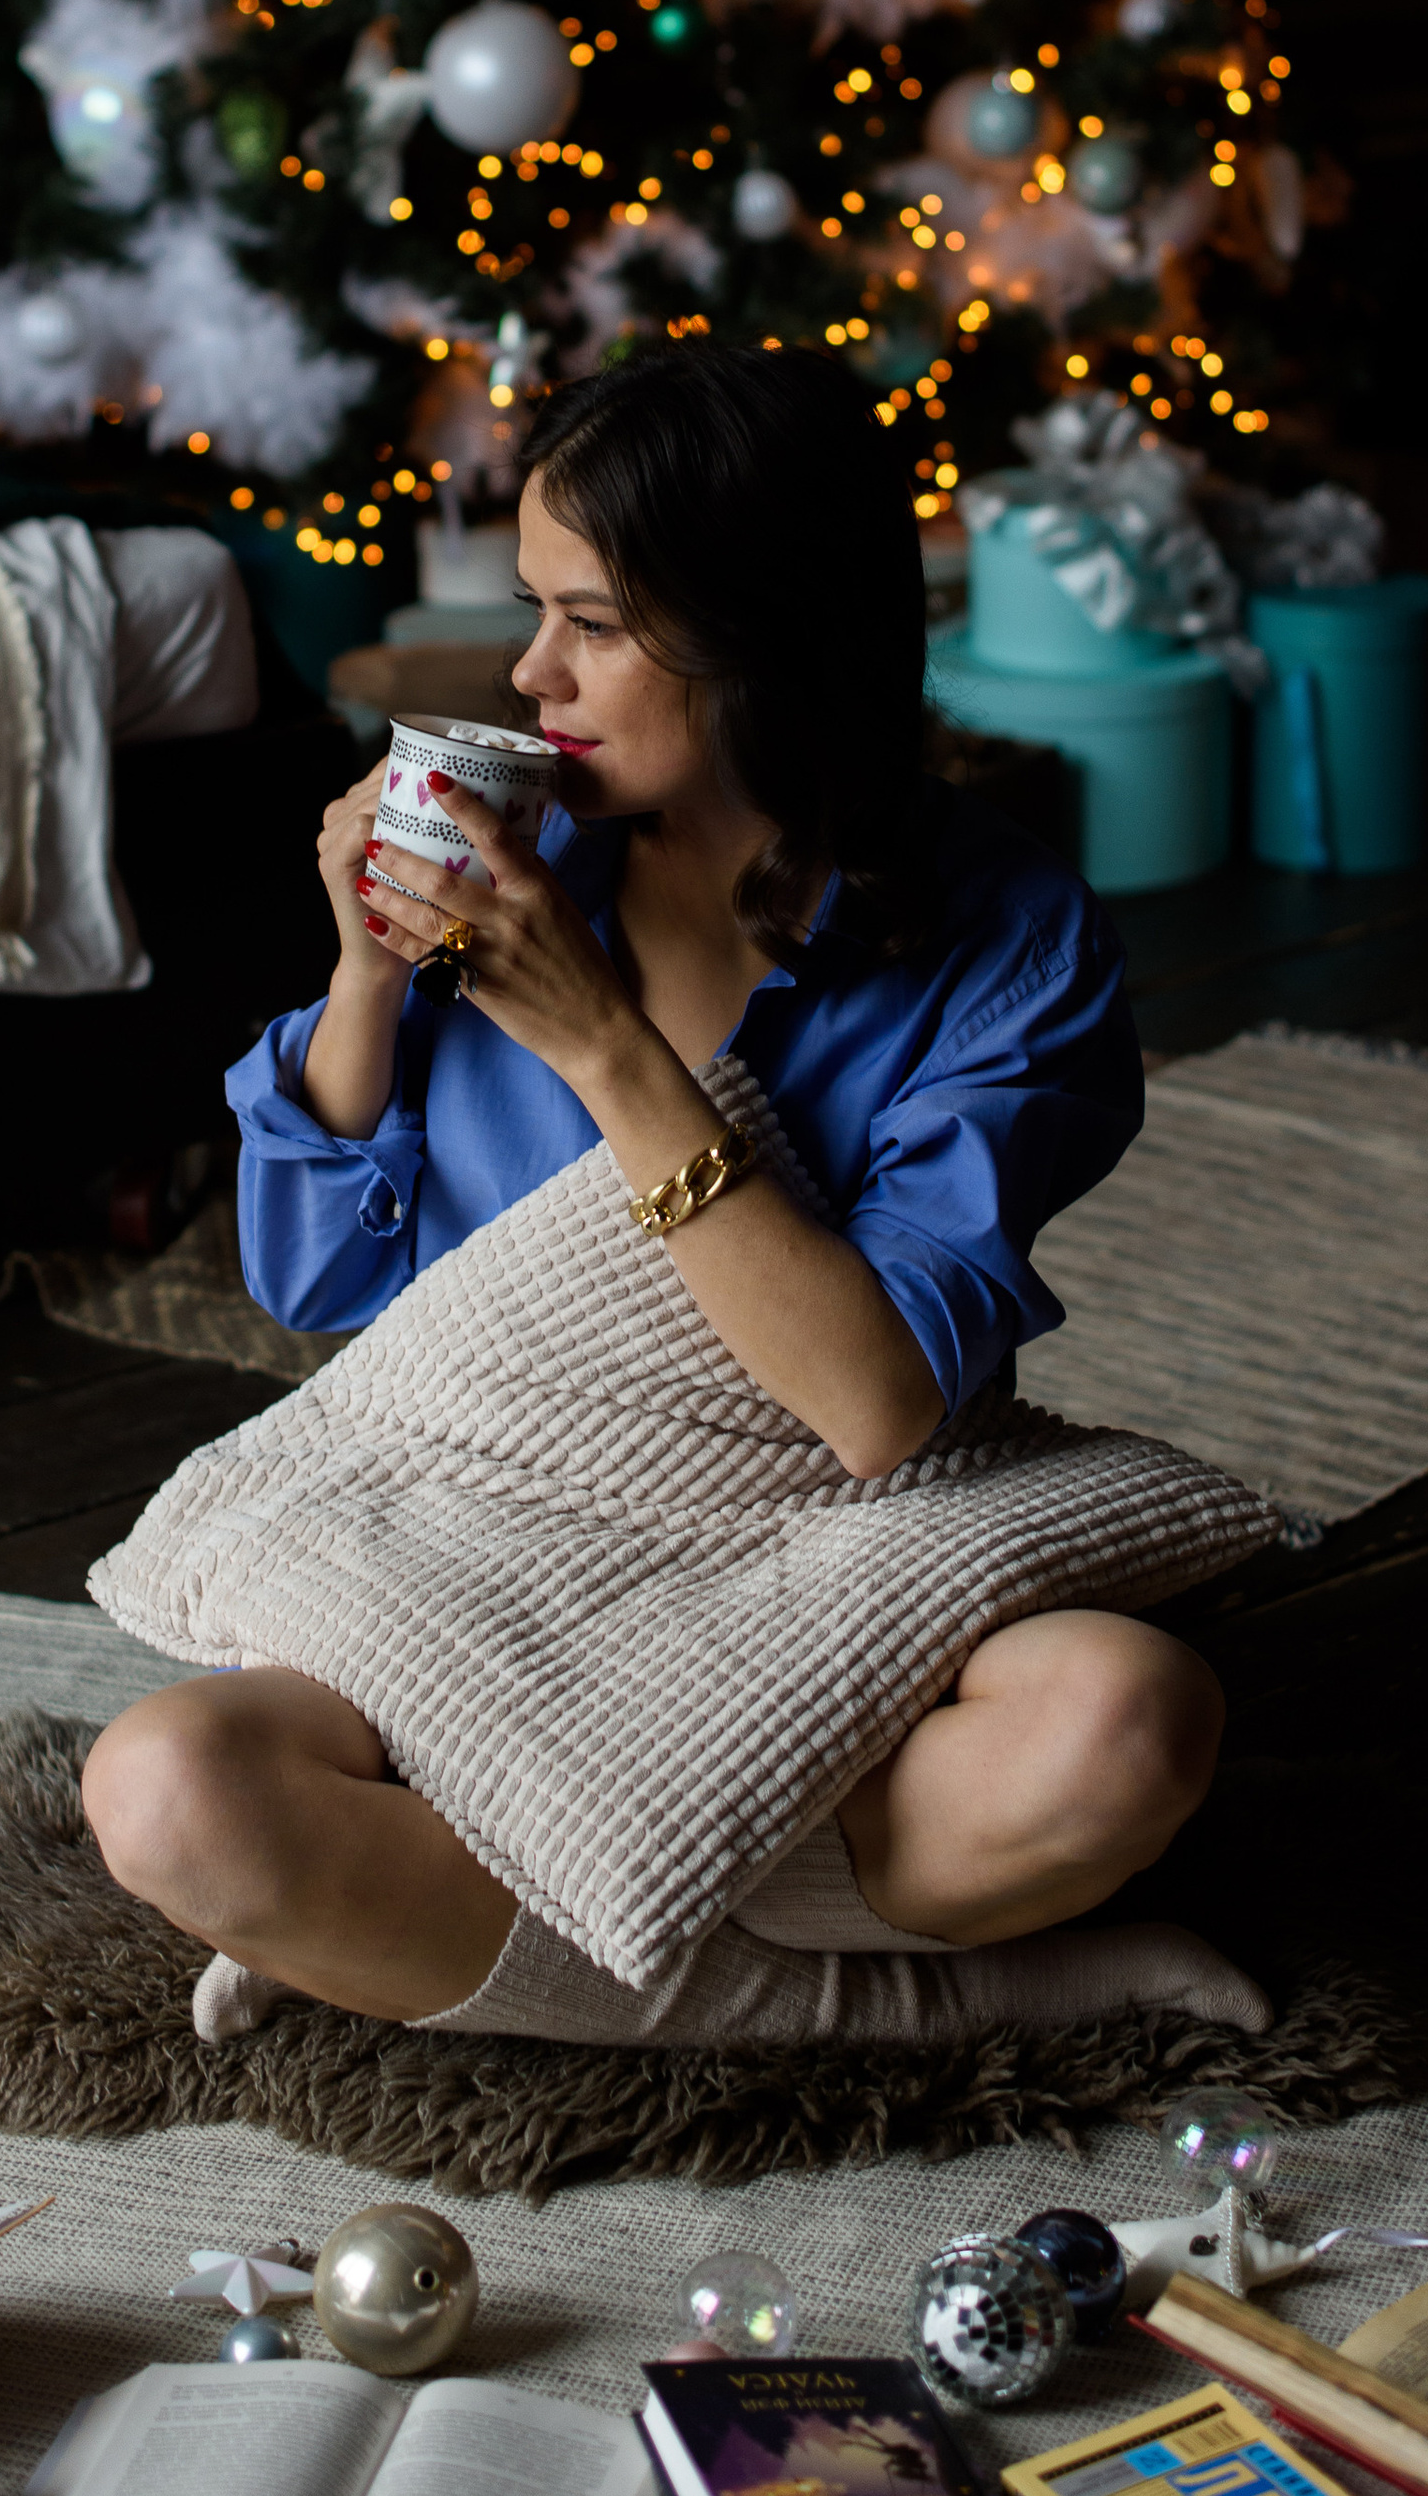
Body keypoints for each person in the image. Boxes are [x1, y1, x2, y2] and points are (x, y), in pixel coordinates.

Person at [82, 347, 1244, 2040]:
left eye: (597, 627)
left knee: (1129, 1723)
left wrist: (606, 1047)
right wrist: (368, 980)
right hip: (481, 1539)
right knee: (168, 1790)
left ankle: (450, 1925)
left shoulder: (1012, 940)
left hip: (822, 1549)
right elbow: (317, 1280)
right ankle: (926, 2002)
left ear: (766, 639)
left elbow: (872, 1412)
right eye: (533, 611)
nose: (531, 674)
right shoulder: (515, 847)